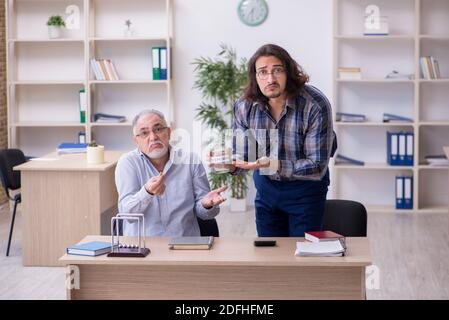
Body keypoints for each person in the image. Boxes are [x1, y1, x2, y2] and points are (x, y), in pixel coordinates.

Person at [229, 44, 337, 237]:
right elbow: (243, 154)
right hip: (266, 190)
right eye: (263, 72)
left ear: (289, 72)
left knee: (303, 257)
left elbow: (317, 165)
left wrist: (275, 164)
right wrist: (229, 163)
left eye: (277, 70)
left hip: (306, 191)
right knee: (270, 258)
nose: (270, 79)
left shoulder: (315, 104)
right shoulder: (244, 106)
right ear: (255, 77)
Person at [115, 109, 227, 236]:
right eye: (144, 133)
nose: (153, 137)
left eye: (158, 129)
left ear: (168, 132)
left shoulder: (191, 161)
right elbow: (126, 214)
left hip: (184, 246)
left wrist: (207, 205)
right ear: (136, 140)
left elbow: (205, 214)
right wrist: (147, 192)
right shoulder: (127, 163)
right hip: (143, 248)